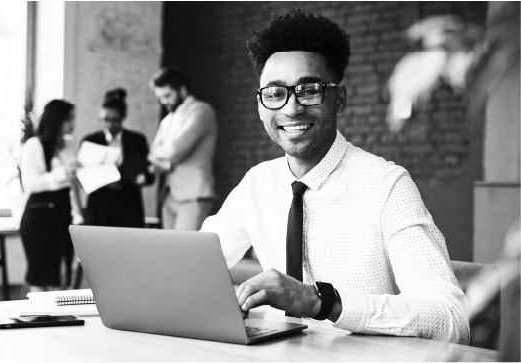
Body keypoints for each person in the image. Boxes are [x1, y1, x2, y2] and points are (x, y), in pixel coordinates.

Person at [200, 9, 470, 344]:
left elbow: (451, 317)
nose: (291, 108)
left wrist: (321, 301)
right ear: (260, 105)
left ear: (339, 99)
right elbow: (193, 268)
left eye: (309, 90)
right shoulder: (257, 183)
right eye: (274, 93)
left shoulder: (386, 185)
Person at [20, 99, 82, 292]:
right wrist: (62, 173)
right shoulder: (34, 145)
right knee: (41, 276)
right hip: (39, 218)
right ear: (57, 120)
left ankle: (58, 321)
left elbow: (72, 184)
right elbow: (30, 183)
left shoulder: (67, 145)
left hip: (62, 216)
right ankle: (37, 321)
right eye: (68, 119)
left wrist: (79, 214)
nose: (72, 124)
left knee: (61, 277)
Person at [148, 66, 217, 230]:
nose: (164, 101)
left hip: (194, 195)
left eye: (167, 95)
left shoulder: (201, 111)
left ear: (182, 90)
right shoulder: (168, 120)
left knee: (185, 252)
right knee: (170, 252)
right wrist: (167, 160)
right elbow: (151, 154)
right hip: (169, 195)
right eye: (160, 97)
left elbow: (175, 149)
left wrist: (165, 158)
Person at [82, 88, 153, 228]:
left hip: (128, 206)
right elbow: (83, 176)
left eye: (114, 120)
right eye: (104, 120)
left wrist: (142, 177)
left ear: (122, 118)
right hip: (99, 206)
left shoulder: (137, 140)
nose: (108, 125)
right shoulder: (90, 141)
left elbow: (148, 173)